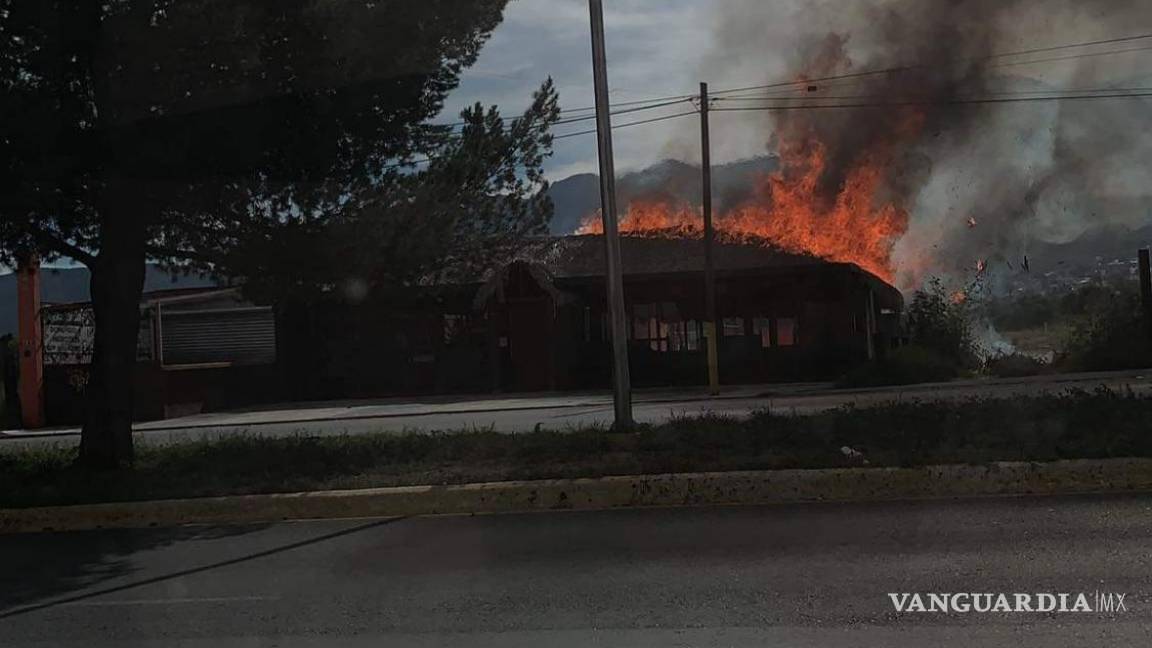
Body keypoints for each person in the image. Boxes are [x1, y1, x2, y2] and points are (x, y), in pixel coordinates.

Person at [0, 333, 19, 427]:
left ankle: (11, 422)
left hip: (9, 381)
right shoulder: (10, 352)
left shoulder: (6, 352)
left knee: (10, 399)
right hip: (10, 381)